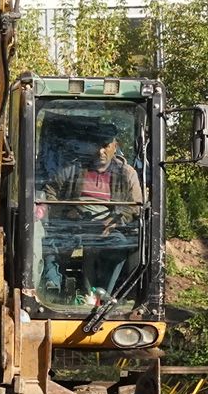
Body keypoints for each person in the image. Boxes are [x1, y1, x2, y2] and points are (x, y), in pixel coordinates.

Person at [39, 120, 143, 300]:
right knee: (53, 243)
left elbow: (135, 204)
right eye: (96, 145)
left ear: (114, 146)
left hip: (108, 228)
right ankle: (52, 288)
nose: (100, 151)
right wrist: (64, 212)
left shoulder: (126, 173)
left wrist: (116, 220)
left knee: (120, 245)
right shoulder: (73, 169)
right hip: (75, 225)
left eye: (105, 146)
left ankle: (104, 296)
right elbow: (51, 190)